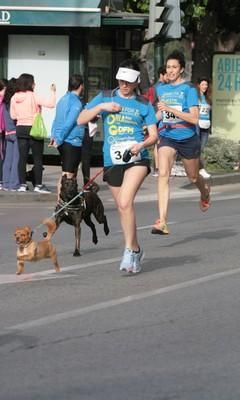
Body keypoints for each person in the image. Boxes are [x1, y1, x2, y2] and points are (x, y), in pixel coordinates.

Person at [77, 59, 158, 274]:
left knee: (125, 200)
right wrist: (102, 107)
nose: (124, 84)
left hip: (136, 158)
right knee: (124, 208)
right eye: (121, 80)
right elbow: (81, 119)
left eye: (129, 81)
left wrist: (141, 144)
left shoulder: (143, 103)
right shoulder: (105, 96)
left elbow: (154, 135)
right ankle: (136, 249)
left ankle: (128, 251)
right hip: (112, 160)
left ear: (136, 82)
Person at [152, 50, 210, 235]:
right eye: (168, 67)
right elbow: (162, 113)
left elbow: (194, 119)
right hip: (168, 135)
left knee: (193, 177)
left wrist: (171, 109)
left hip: (187, 137)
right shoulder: (161, 89)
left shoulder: (189, 90)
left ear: (181, 69)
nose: (170, 70)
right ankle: (162, 220)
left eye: (174, 67)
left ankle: (204, 192)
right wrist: (149, 124)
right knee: (163, 175)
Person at [10, 73, 56, 193]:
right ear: (30, 83)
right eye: (33, 82)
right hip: (34, 128)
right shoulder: (33, 96)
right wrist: (53, 92)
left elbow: (13, 115)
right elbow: (51, 104)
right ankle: (38, 185)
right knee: (37, 158)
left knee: (22, 158)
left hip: (20, 128)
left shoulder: (14, 97)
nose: (34, 84)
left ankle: (22, 184)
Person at [50, 74, 85, 199]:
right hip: (71, 141)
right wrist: (59, 138)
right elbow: (69, 123)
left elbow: (56, 119)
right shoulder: (76, 103)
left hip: (62, 141)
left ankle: (61, 201)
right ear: (81, 86)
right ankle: (62, 203)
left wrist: (54, 135)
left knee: (66, 173)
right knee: (68, 175)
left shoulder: (62, 99)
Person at [1, 78, 19, 191]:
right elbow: (15, 117)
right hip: (16, 132)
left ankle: (5, 182)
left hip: (7, 132)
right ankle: (14, 183)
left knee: (7, 159)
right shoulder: (14, 101)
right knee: (16, 159)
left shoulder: (4, 102)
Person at [196, 77, 212, 179]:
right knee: (197, 148)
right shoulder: (195, 98)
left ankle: (197, 168)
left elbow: (210, 113)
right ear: (198, 85)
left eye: (206, 85)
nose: (205, 87)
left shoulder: (208, 99)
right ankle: (200, 169)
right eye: (203, 84)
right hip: (197, 124)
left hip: (206, 125)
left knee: (201, 149)